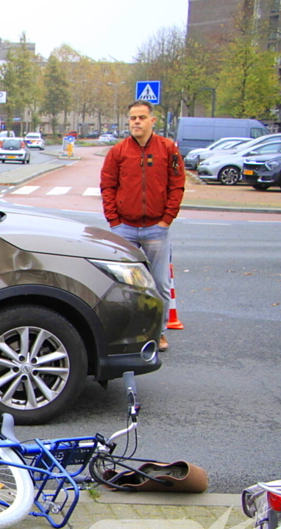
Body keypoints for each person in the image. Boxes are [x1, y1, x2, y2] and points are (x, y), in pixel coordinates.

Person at [100, 99, 185, 353]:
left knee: (159, 284)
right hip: (124, 228)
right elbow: (107, 186)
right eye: (132, 118)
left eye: (141, 117)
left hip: (157, 229)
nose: (136, 122)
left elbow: (176, 185)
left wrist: (166, 219)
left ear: (152, 121)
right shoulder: (118, 152)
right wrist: (114, 220)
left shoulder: (168, 149)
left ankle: (158, 334)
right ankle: (125, 334)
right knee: (123, 285)